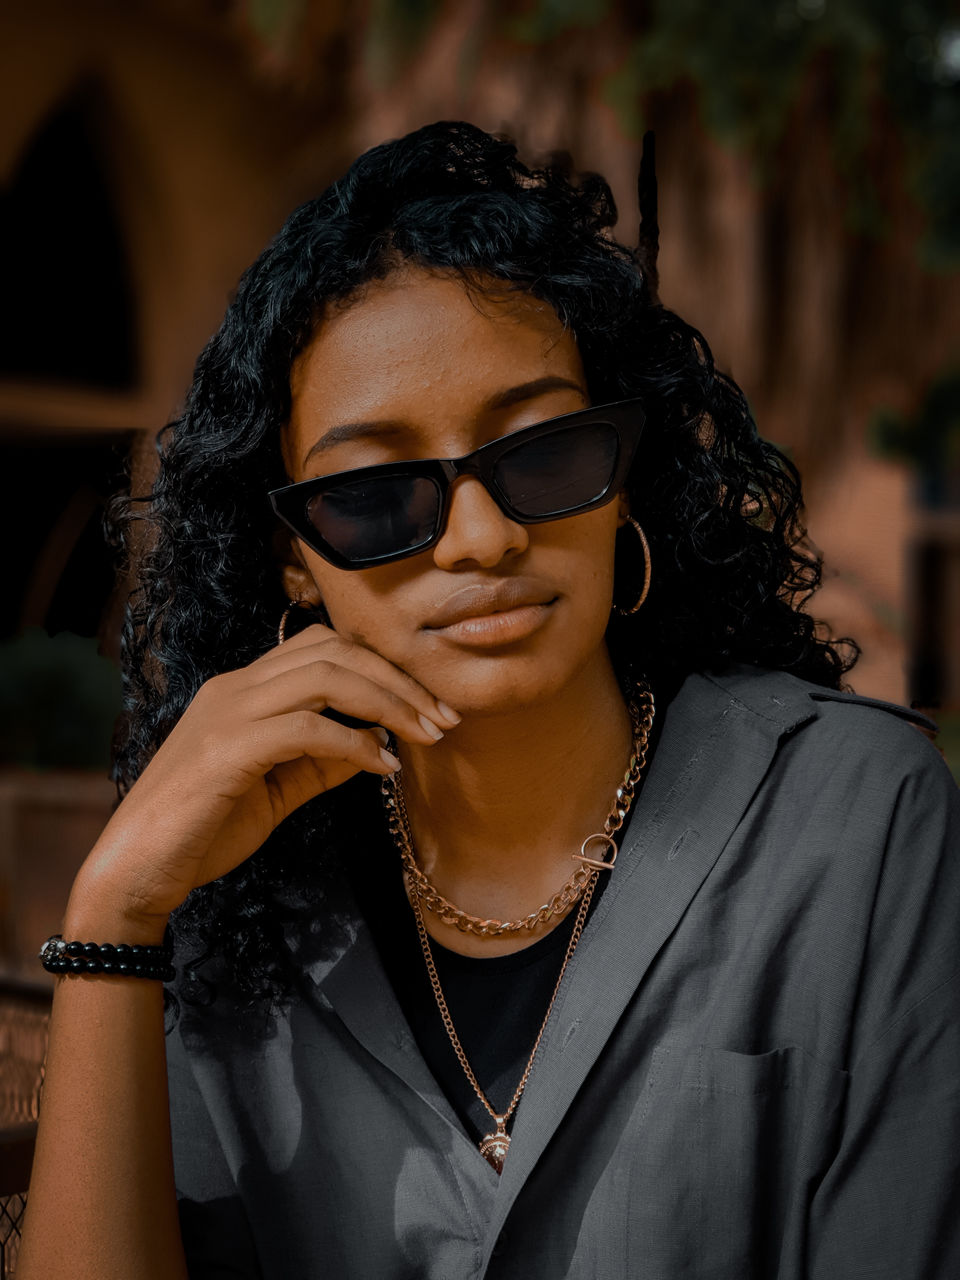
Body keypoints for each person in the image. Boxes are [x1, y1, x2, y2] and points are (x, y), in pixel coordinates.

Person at [19, 121, 959, 1280]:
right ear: (295, 560)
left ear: (626, 487)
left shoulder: (857, 819)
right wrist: (116, 912)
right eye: (374, 495)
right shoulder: (236, 890)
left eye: (544, 454)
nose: (482, 538)